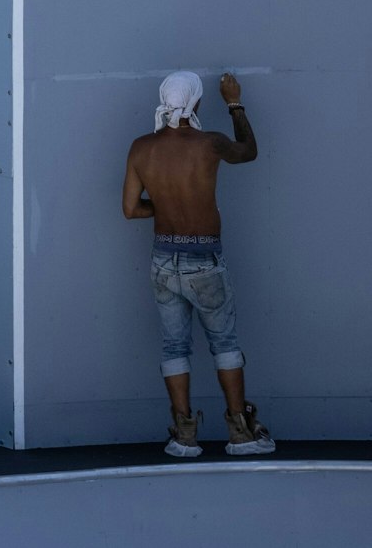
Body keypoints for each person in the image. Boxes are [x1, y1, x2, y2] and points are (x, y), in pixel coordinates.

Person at [121, 70, 274, 458]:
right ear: (195, 102)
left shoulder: (141, 148)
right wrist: (234, 102)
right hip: (203, 258)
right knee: (224, 343)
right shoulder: (211, 143)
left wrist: (167, 205)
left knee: (175, 346)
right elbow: (249, 151)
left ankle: (183, 436)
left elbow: (130, 209)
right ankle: (241, 434)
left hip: (162, 259)